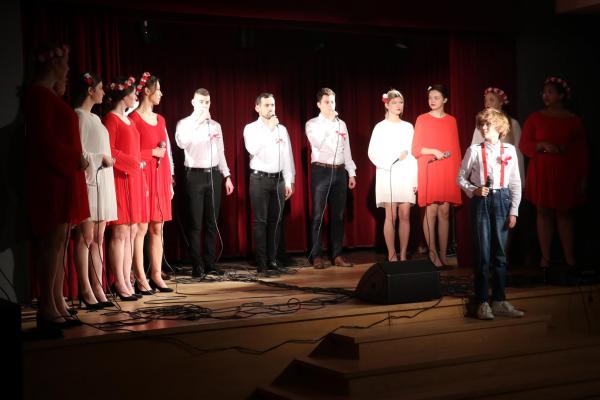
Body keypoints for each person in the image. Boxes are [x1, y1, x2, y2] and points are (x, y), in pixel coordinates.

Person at [23, 44, 89, 331]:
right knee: (51, 243)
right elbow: (45, 142)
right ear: (52, 64)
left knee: (60, 242)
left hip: (63, 176)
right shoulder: (39, 96)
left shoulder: (48, 95)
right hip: (52, 178)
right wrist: (74, 158)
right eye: (65, 63)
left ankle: (57, 301)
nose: (68, 69)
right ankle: (47, 306)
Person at [457, 108, 524, 320]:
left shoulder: (510, 150)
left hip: (502, 200)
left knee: (500, 254)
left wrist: (514, 210)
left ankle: (499, 300)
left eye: (488, 124)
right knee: (483, 254)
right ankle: (482, 302)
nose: (484, 128)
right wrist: (474, 190)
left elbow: (515, 182)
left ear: (499, 127)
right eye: (482, 124)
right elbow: (460, 177)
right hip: (482, 201)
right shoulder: (474, 150)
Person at [519, 77, 588, 270]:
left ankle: (569, 258)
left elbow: (582, 151)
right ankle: (546, 258)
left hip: (566, 171)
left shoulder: (574, 120)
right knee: (543, 212)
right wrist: (541, 145)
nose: (545, 95)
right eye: (544, 92)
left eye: (550, 92)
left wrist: (583, 177)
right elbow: (524, 144)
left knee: (565, 213)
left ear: (561, 95)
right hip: (542, 171)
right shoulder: (535, 118)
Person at [175, 88, 234, 277]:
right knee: (195, 223)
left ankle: (210, 263)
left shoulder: (215, 126)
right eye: (201, 102)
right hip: (194, 176)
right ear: (193, 102)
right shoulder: (184, 123)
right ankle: (196, 264)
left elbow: (221, 151)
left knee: (212, 222)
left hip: (213, 175)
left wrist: (226, 175)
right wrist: (198, 123)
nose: (204, 105)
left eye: (207, 102)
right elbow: (182, 143)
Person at [72, 72, 117, 309]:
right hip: (88, 181)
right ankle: (85, 289)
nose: (103, 92)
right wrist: (100, 158)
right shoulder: (78, 116)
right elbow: (78, 153)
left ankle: (98, 286)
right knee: (86, 237)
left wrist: (107, 159)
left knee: (99, 237)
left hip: (102, 181)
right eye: (100, 88)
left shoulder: (96, 119)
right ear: (90, 91)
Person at [130, 72, 174, 293]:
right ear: (147, 91)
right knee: (141, 227)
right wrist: (150, 153)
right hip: (142, 177)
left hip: (160, 177)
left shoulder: (161, 119)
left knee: (158, 226)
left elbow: (166, 153)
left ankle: (156, 274)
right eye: (158, 89)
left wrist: (169, 181)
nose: (161, 93)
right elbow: (129, 153)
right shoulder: (133, 119)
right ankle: (140, 276)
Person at [103, 76, 146, 301]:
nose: (136, 96)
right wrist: (131, 162)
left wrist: (139, 172)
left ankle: (127, 280)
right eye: (133, 93)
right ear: (124, 96)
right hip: (120, 178)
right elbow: (109, 149)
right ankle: (118, 281)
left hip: (134, 179)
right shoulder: (111, 119)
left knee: (131, 230)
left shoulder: (128, 119)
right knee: (120, 231)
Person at [412, 84, 462, 268]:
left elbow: (456, 149)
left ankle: (443, 254)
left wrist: (458, 173)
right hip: (430, 168)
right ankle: (432, 253)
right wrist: (434, 151)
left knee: (445, 211)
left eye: (436, 97)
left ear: (445, 100)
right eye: (430, 97)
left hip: (447, 169)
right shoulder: (422, 119)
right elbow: (416, 149)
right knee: (431, 210)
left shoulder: (451, 121)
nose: (432, 101)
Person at [306, 88, 356, 269]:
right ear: (319, 104)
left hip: (340, 172)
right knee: (318, 215)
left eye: (333, 102)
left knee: (338, 216)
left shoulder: (342, 124)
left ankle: (337, 255)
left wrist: (351, 172)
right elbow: (318, 143)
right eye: (327, 102)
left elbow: (346, 149)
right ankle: (316, 255)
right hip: (321, 171)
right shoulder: (312, 124)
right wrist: (329, 124)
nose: (330, 106)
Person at [243, 93, 294, 273]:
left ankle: (272, 259)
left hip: (278, 180)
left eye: (272, 105)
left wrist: (289, 180)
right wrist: (269, 130)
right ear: (257, 107)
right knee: (260, 221)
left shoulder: (282, 129)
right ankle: (261, 262)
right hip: (259, 179)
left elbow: (287, 156)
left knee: (276, 222)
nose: (271, 108)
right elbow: (252, 148)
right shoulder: (251, 128)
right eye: (266, 105)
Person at [368, 89, 417, 262]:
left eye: (401, 102)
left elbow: (413, 153)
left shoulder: (408, 127)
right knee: (391, 216)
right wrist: (392, 160)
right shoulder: (380, 127)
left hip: (405, 175)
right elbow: (372, 153)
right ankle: (391, 254)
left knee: (405, 215)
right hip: (387, 174)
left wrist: (415, 179)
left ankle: (403, 254)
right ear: (387, 105)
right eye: (394, 102)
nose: (398, 105)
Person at [471, 87, 525, 183]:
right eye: (486, 100)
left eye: (491, 100)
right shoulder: (481, 125)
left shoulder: (513, 124)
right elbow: (474, 148)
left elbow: (518, 153)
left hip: (506, 172)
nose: (487, 103)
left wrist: (518, 178)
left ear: (501, 102)